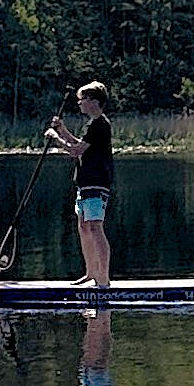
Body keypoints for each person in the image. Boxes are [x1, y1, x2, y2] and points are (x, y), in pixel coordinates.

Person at [45, 80, 116, 291]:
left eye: (82, 99)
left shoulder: (100, 124)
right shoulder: (92, 125)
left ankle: (103, 279)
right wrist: (63, 129)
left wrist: (56, 137)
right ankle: (91, 272)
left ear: (93, 101)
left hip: (97, 182)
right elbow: (80, 144)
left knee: (95, 227)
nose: (79, 103)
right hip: (85, 183)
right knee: (84, 226)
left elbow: (75, 151)